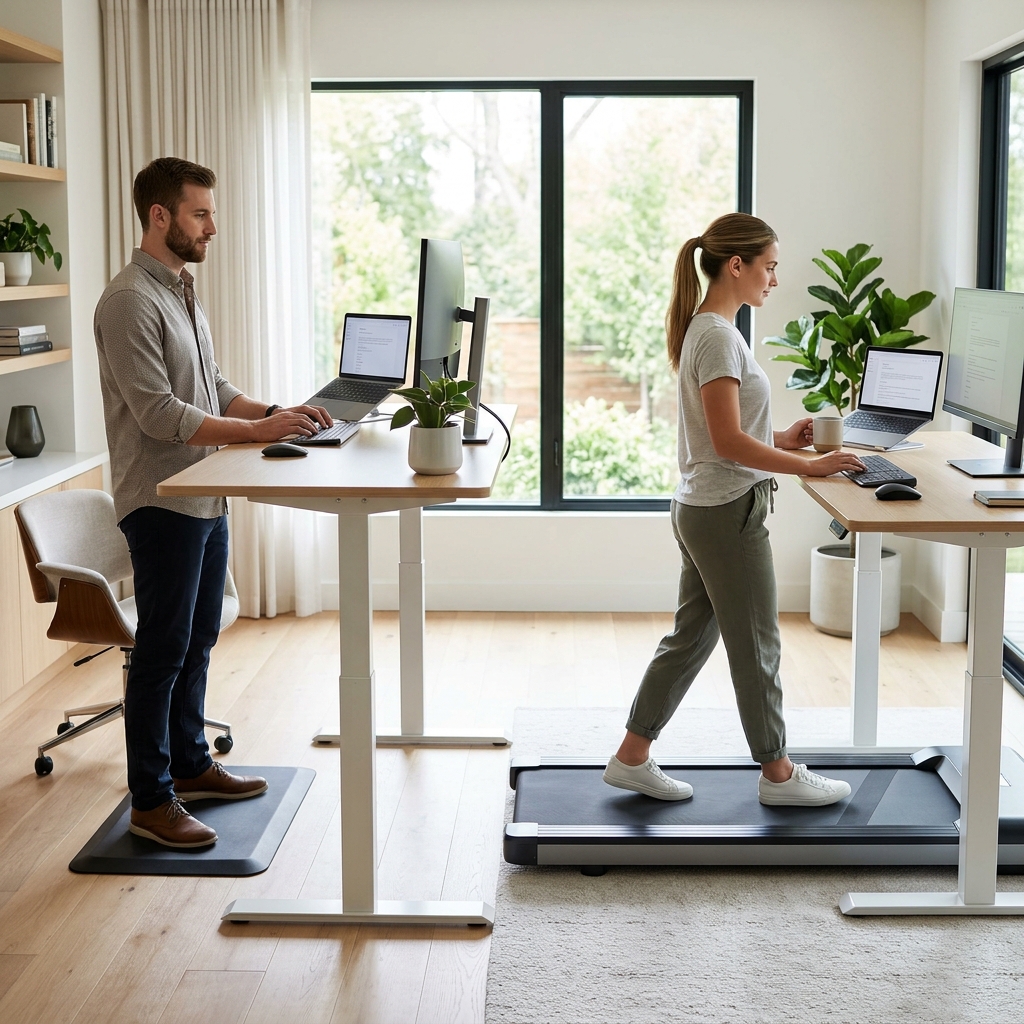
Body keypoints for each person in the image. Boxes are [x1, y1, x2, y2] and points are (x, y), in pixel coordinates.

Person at [94, 157, 331, 848]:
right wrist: (255, 433)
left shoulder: (181, 291)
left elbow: (215, 387)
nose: (213, 226)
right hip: (161, 499)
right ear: (160, 217)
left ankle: (193, 765)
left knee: (198, 639)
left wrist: (282, 412)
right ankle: (151, 799)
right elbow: (161, 414)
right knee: (161, 650)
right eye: (201, 213)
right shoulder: (128, 299)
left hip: (205, 491)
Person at [603, 213, 866, 806]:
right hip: (726, 512)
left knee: (691, 639)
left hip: (705, 505)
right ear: (737, 265)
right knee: (757, 644)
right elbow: (723, 443)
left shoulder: (712, 328)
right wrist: (811, 466)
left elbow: (728, 432)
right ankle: (778, 774)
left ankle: (631, 756)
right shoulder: (718, 335)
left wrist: (782, 438)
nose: (774, 279)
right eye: (769, 266)